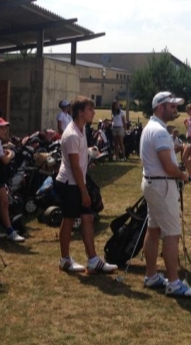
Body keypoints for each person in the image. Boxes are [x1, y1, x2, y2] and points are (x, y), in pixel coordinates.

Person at [140, 91, 191, 298]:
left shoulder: (152, 128)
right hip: (162, 185)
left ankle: (151, 275)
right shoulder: (160, 132)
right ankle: (174, 283)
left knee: (154, 229)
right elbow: (167, 166)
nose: (176, 110)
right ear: (159, 107)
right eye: (171, 106)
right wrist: (184, 175)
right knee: (172, 233)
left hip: (152, 183)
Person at [56, 96, 117, 274]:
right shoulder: (72, 135)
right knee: (68, 220)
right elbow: (74, 167)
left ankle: (93, 260)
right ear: (80, 112)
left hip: (78, 182)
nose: (94, 113)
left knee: (87, 218)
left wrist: (88, 156)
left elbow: (78, 161)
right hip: (69, 184)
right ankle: (65, 260)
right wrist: (84, 192)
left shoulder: (81, 130)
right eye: (90, 109)